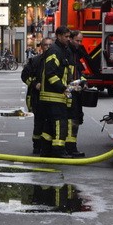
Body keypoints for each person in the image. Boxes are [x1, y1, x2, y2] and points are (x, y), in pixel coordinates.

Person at [39, 27, 76, 158]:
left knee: (49, 125)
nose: (68, 39)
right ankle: (58, 150)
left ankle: (45, 150)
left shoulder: (61, 51)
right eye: (66, 36)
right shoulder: (55, 51)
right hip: (54, 96)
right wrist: (63, 88)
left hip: (53, 97)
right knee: (60, 123)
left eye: (69, 37)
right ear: (58, 36)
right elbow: (51, 73)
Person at [22, 36, 52, 155]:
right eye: (46, 45)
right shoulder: (35, 61)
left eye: (50, 45)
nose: (48, 47)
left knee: (50, 123)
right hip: (38, 97)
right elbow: (24, 76)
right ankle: (37, 145)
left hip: (52, 98)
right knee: (39, 122)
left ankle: (47, 146)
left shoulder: (56, 60)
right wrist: (34, 84)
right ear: (41, 47)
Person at [66, 30, 89, 157]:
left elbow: (81, 72)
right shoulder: (67, 53)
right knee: (71, 120)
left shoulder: (76, 53)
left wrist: (84, 82)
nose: (79, 43)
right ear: (71, 39)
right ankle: (70, 148)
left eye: (81, 41)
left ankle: (72, 147)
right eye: (77, 40)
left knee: (76, 119)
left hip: (76, 92)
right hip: (69, 92)